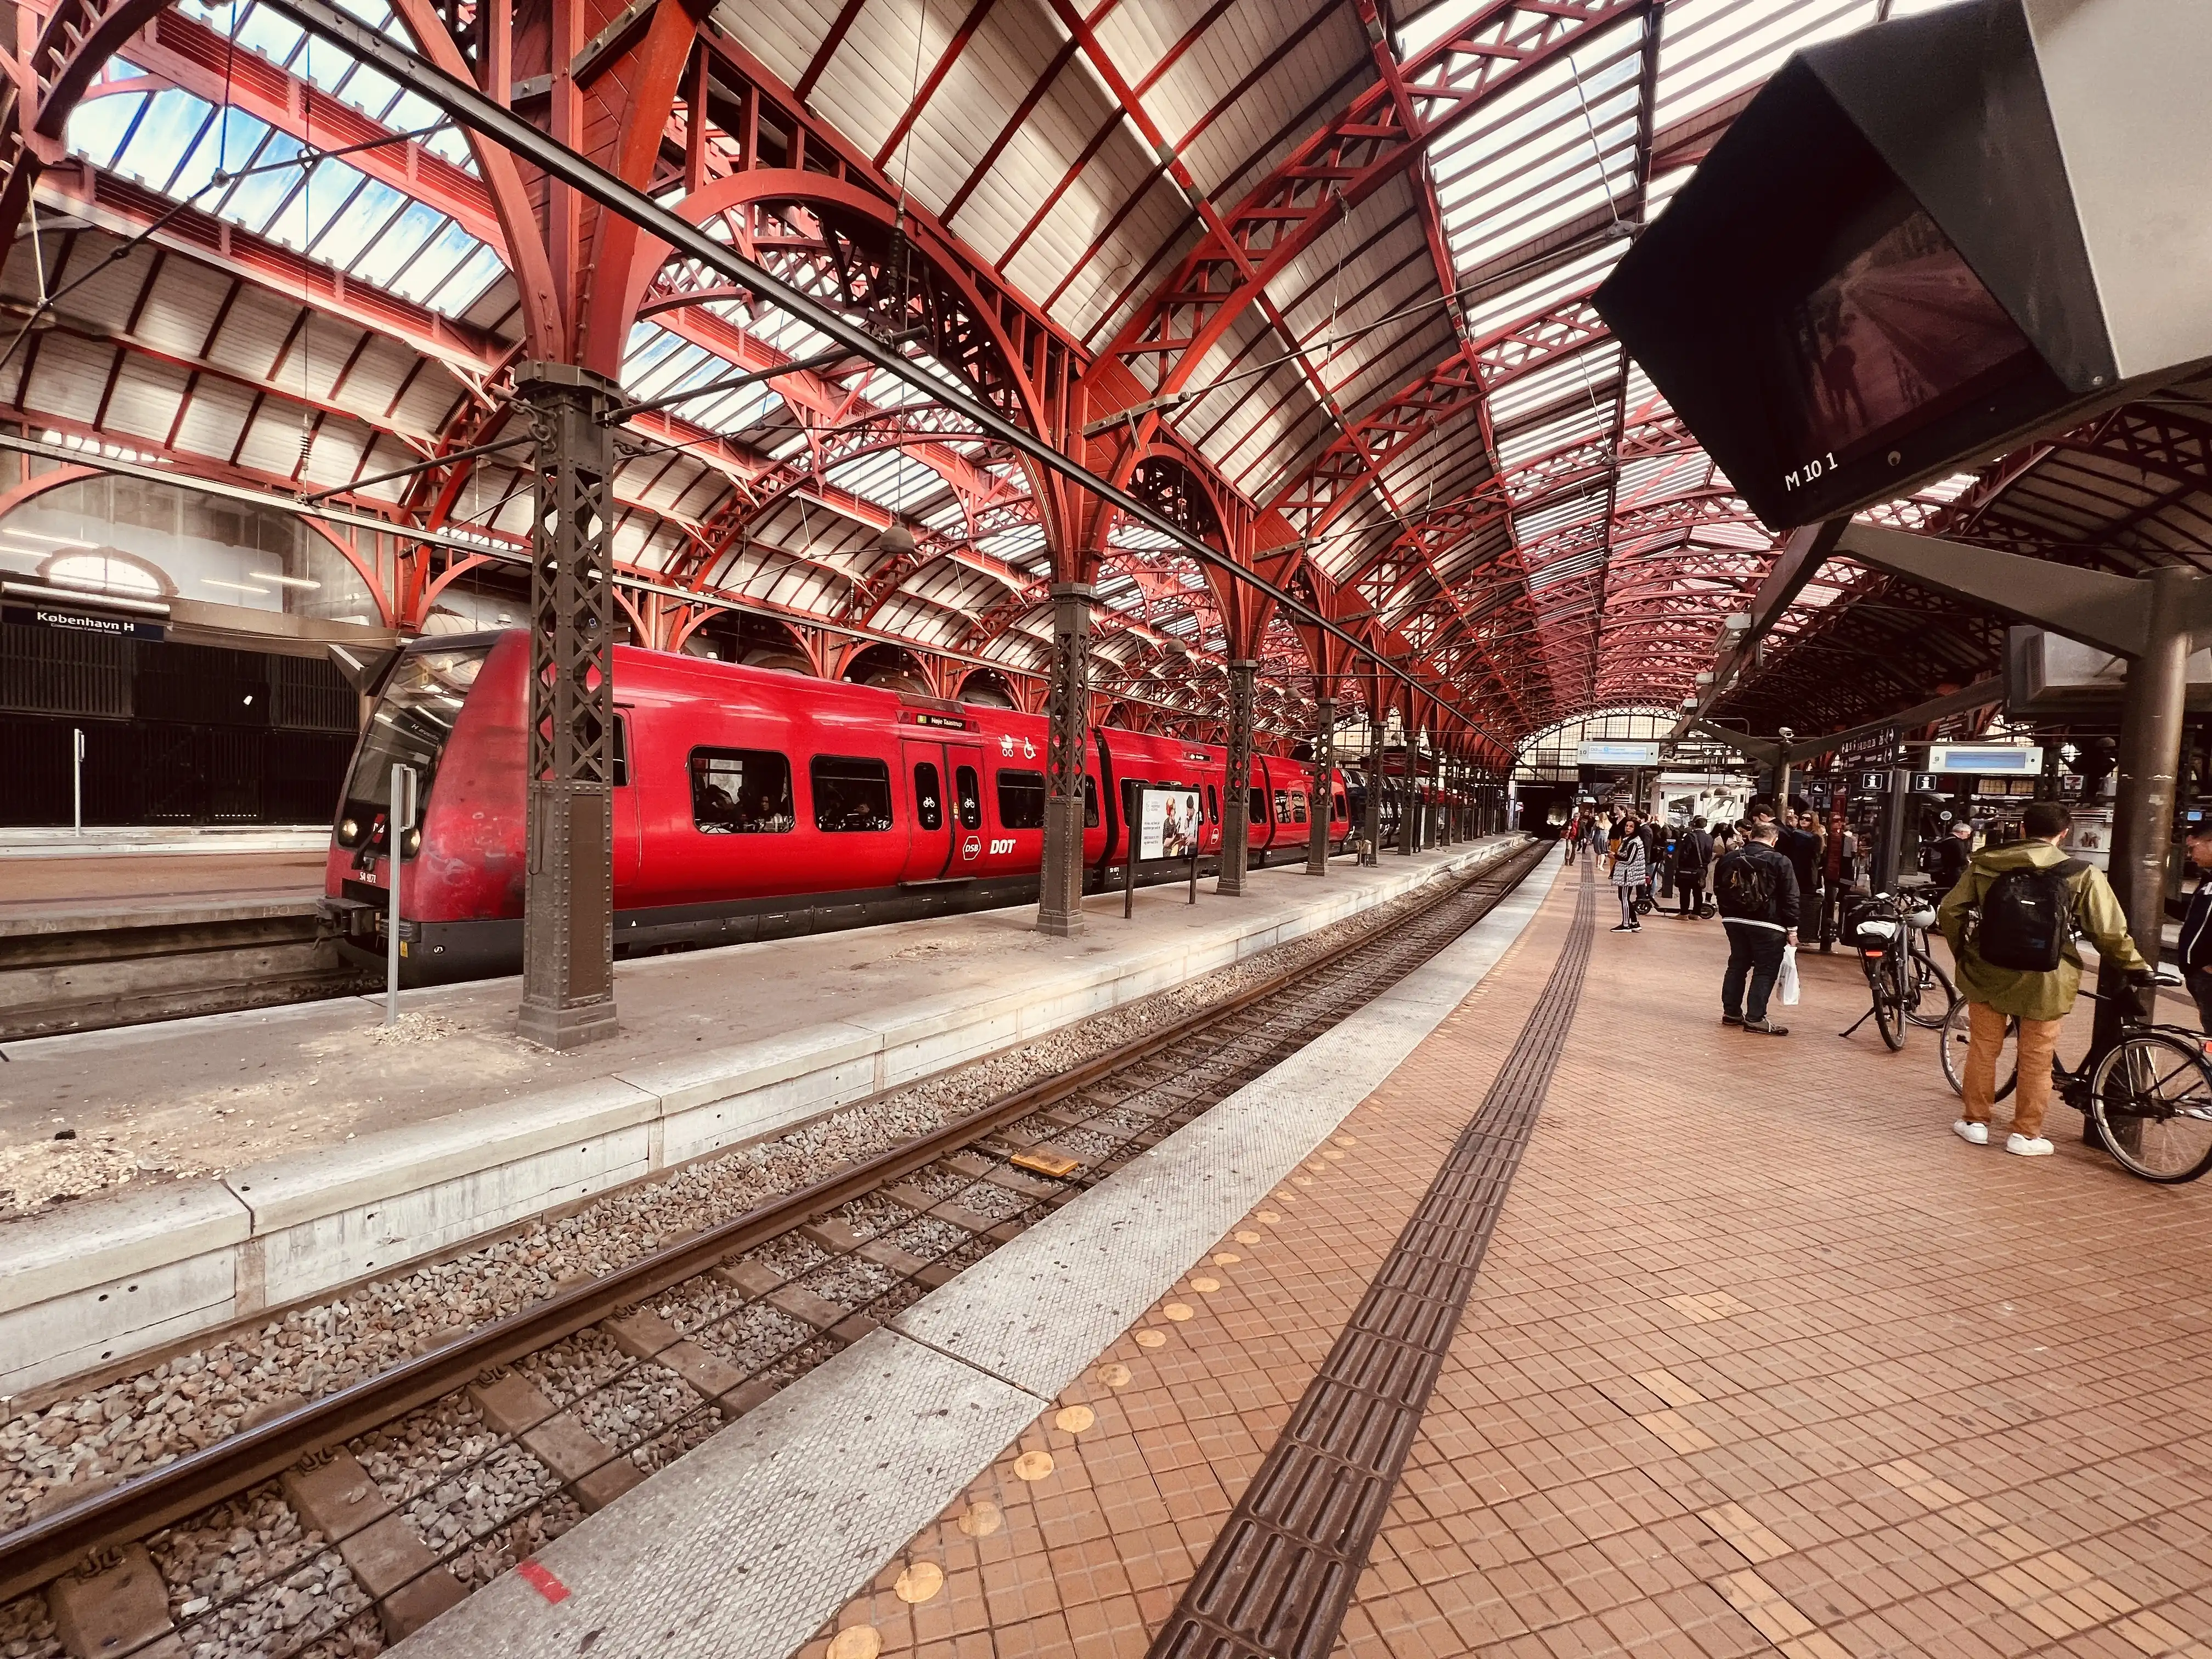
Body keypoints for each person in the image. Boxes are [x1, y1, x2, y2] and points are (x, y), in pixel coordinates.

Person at [1937, 798, 2152, 1157]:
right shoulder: (2081, 872)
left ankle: (1975, 1122)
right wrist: (2135, 966)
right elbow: (2109, 932)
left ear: (2022, 829)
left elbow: (1950, 910)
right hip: (2048, 977)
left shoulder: (1986, 865)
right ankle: (2026, 1134)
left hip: (1988, 970)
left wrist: (1965, 954)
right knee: (2037, 1056)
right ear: (2064, 834)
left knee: (1984, 1049)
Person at [1714, 820, 1799, 1035]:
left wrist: (1728, 914)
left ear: (1751, 835)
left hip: (1734, 921)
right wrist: (1792, 929)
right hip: (1769, 923)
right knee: (1765, 970)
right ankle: (1755, 1018)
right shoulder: (1780, 860)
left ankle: (1731, 1013)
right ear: (1774, 839)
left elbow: (1719, 888)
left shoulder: (1729, 858)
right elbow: (1791, 897)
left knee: (1737, 965)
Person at [2166, 820, 2212, 1030]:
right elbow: (2194, 916)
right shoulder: (2208, 880)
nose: (2189, 855)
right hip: (2199, 976)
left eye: (2193, 847)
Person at [1608, 813, 1647, 933]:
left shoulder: (1635, 842)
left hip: (1628, 875)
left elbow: (1630, 860)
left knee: (1624, 898)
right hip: (1626, 874)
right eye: (1627, 826)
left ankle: (1626, 924)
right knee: (1624, 897)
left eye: (1631, 827)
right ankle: (1635, 923)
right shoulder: (1628, 839)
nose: (1628, 828)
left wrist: (1615, 856)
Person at [1676, 816, 1714, 917]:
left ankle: (1684, 913)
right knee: (1698, 892)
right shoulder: (1710, 838)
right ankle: (1696, 913)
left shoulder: (1690, 836)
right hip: (1702, 869)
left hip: (1689, 869)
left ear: (1694, 824)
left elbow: (1685, 853)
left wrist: (1680, 865)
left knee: (1685, 891)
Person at [1931, 819, 1974, 893]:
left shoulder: (1945, 839)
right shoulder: (1957, 843)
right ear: (1962, 833)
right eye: (1968, 835)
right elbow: (1961, 859)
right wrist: (1968, 864)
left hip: (1941, 870)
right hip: (1955, 872)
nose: (1968, 837)